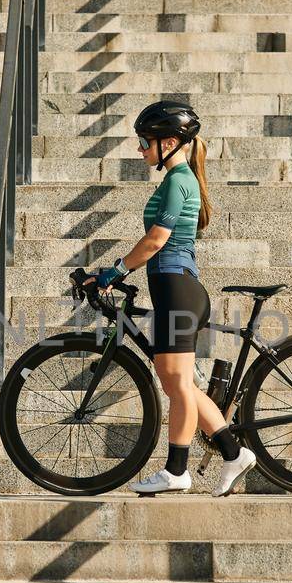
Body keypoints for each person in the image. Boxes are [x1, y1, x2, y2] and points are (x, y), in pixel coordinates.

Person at [87, 100, 256, 496]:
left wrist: (115, 271)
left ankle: (177, 471)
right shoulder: (175, 179)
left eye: (145, 141)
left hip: (178, 288)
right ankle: (232, 452)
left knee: (178, 384)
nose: (141, 149)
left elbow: (156, 240)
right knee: (175, 381)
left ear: (170, 142)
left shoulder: (180, 180)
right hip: (171, 287)